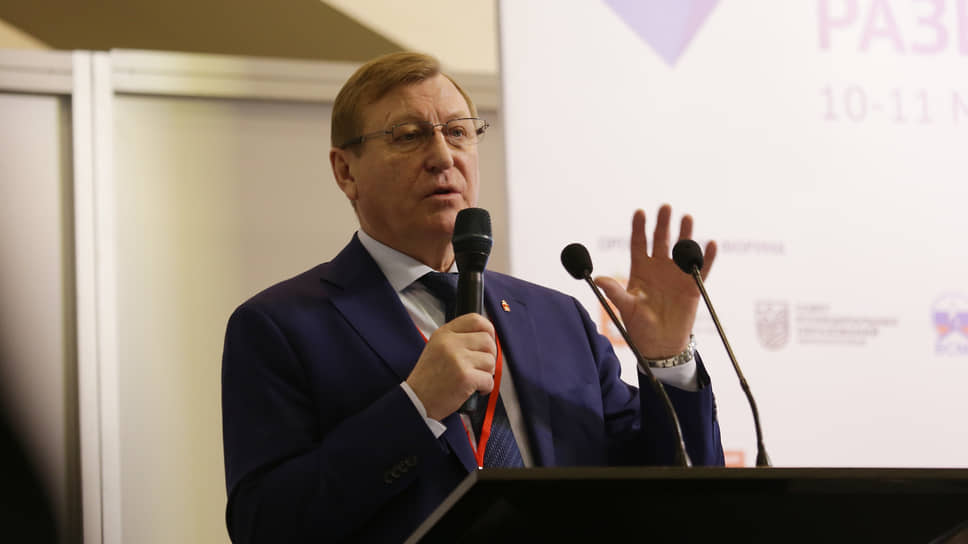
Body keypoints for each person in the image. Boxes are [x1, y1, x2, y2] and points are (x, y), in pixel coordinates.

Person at [221, 51, 724, 544]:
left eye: (459, 132)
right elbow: (264, 525)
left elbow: (677, 496)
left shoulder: (557, 318)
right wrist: (416, 406)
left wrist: (667, 362)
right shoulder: (280, 326)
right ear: (345, 172)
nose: (444, 157)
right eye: (409, 135)